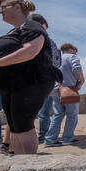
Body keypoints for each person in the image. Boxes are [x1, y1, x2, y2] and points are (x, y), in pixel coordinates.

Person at [0, 0, 62, 155]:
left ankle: (27, 166)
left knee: (23, 123)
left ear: (17, 8)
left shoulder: (32, 26)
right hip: (12, 86)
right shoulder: (14, 30)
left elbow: (30, 51)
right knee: (14, 125)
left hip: (30, 83)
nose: (0, 11)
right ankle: (19, 162)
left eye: (3, 7)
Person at [28, 13, 61, 142]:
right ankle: (45, 135)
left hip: (41, 82)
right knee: (44, 112)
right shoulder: (50, 42)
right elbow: (57, 63)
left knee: (43, 113)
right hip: (45, 81)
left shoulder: (43, 41)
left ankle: (44, 135)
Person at [44, 43, 84, 146]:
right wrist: (82, 80)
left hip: (55, 88)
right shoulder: (72, 57)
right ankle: (68, 138)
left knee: (57, 115)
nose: (76, 53)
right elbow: (76, 68)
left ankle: (50, 139)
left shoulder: (56, 58)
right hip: (68, 89)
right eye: (75, 51)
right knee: (72, 114)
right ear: (71, 50)